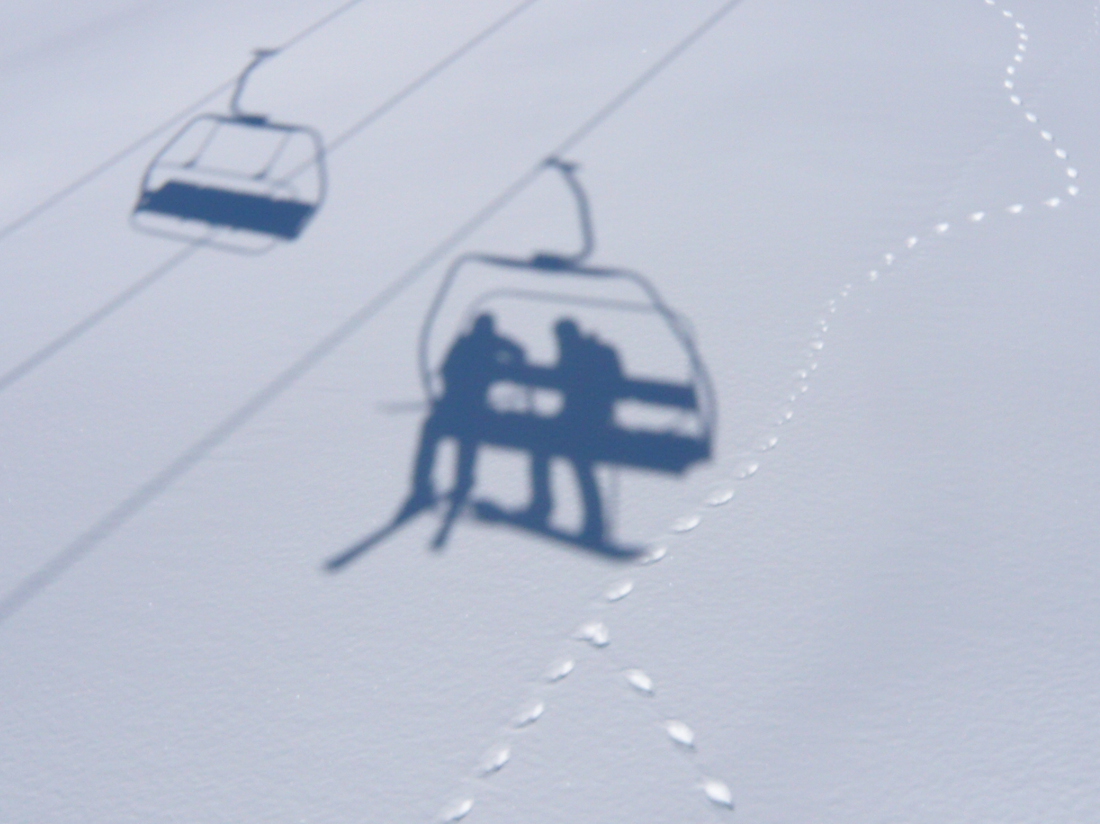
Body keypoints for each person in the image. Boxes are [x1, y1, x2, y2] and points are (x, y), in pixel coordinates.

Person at [397, 314, 524, 542]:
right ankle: (448, 483)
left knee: (443, 430)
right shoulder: (484, 344)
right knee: (442, 431)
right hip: (466, 409)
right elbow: (447, 371)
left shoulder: (468, 343)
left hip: (465, 409)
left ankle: (432, 485)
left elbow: (445, 370)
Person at [521, 318, 622, 545]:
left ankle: (548, 507)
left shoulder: (578, 353)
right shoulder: (590, 351)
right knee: (550, 450)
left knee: (576, 458)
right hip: (583, 420)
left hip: (587, 422)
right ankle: (556, 509)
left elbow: (570, 386)